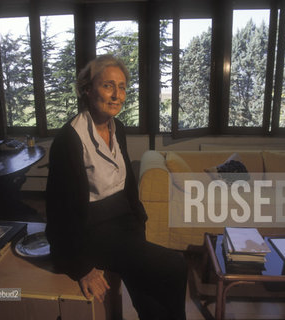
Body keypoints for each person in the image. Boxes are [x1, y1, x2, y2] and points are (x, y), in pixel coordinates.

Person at [45, 54, 187, 320]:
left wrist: (139, 218)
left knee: (147, 296)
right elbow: (58, 211)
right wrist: (82, 268)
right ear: (87, 89)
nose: (116, 95)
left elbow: (127, 184)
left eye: (121, 87)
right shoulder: (69, 140)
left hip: (125, 225)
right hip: (92, 232)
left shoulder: (117, 127)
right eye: (108, 85)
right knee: (175, 265)